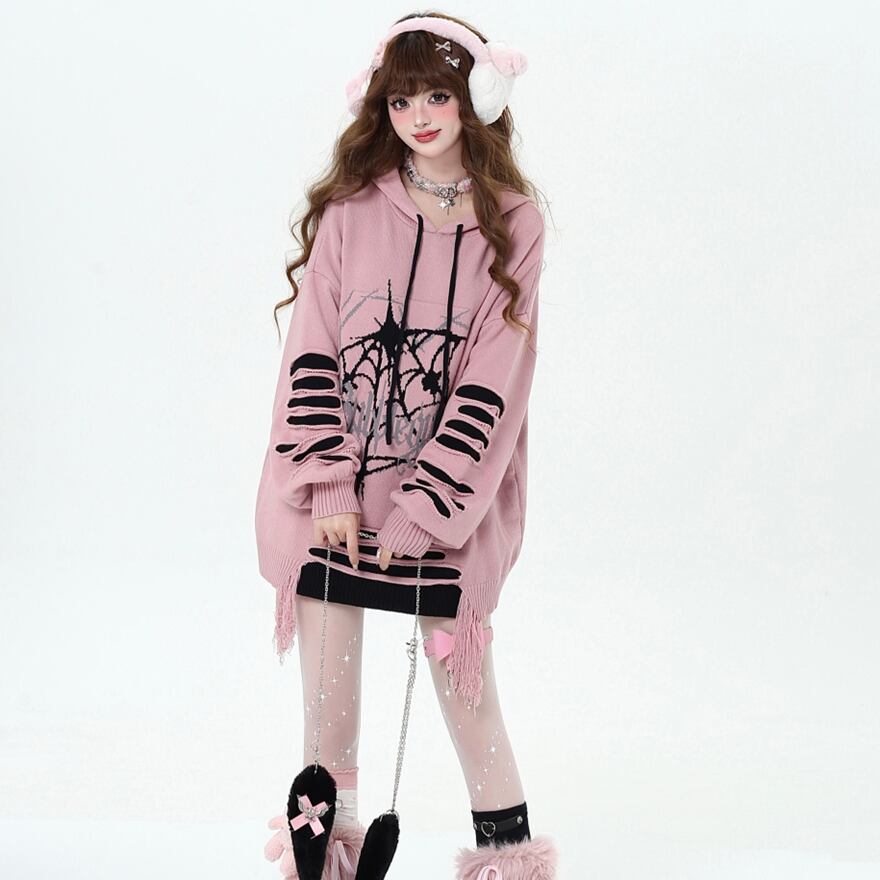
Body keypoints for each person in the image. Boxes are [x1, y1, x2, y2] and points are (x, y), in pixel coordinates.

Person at [257, 12, 558, 880]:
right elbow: (310, 348)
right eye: (400, 100)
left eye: (436, 95)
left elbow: (498, 379)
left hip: (451, 503)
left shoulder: (514, 222)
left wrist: (429, 505)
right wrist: (329, 486)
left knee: (467, 691)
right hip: (332, 500)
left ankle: (507, 860)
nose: (419, 116)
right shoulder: (352, 211)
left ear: (475, 97)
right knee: (328, 705)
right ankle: (331, 857)